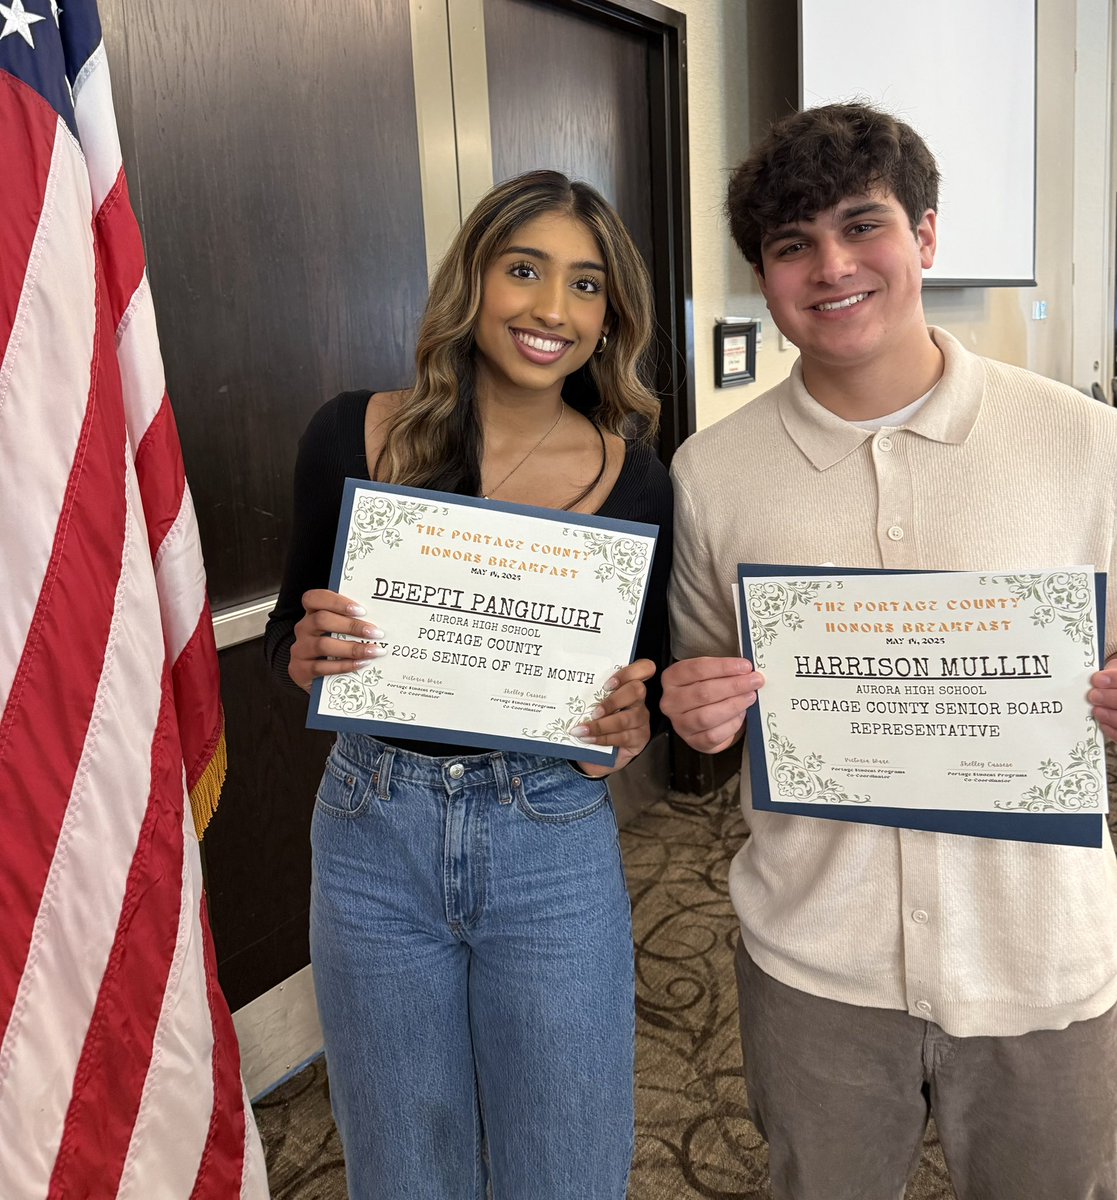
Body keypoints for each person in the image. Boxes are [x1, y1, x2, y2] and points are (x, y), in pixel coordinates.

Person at [661, 102, 1117, 1200]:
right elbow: (701, 694)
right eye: (789, 246)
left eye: (861, 227)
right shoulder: (710, 474)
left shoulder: (1084, 445)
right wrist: (698, 713)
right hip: (817, 965)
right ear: (762, 280)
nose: (830, 267)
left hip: (1038, 961)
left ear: (924, 235)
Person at [264, 169, 672, 1200]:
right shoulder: (352, 432)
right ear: (472, 280)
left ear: (610, 316)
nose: (550, 309)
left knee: (565, 1162)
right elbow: (286, 637)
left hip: (547, 830)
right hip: (370, 829)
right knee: (403, 1164)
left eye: (586, 287)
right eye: (523, 270)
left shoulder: (637, 478)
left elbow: (644, 683)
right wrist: (304, 654)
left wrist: (628, 721)